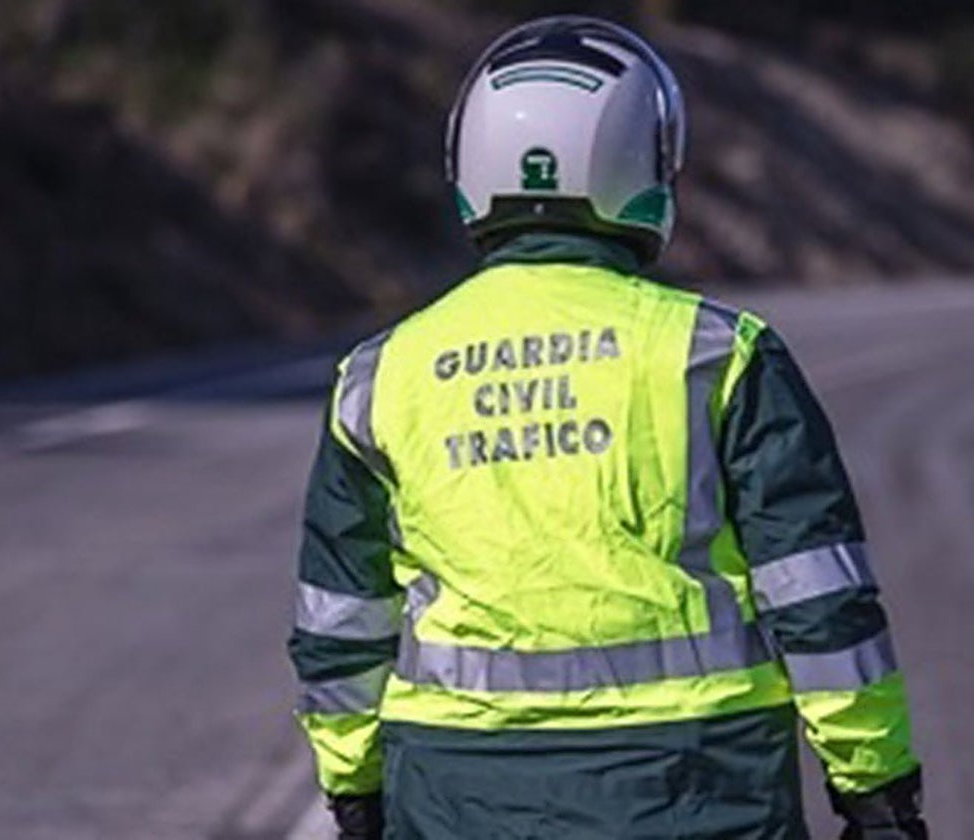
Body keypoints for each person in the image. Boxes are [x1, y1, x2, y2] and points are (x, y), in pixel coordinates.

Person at [287, 16, 927, 839]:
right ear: (642, 163)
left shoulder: (380, 376)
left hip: (457, 794)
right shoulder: (718, 356)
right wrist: (877, 791)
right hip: (697, 787)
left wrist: (355, 789)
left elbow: (340, 622)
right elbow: (822, 602)